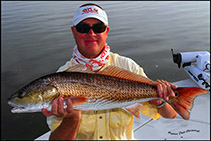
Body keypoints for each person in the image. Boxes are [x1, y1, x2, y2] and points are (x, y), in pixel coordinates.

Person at [42, 3, 178, 140]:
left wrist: (161, 99)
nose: (91, 34)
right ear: (73, 32)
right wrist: (71, 119)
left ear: (106, 32)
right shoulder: (60, 79)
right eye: (83, 28)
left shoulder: (127, 66)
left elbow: (171, 114)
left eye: (98, 28)